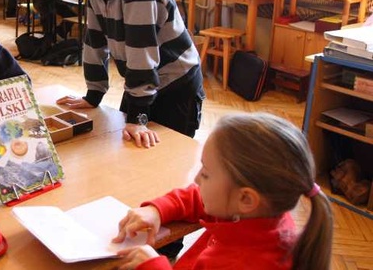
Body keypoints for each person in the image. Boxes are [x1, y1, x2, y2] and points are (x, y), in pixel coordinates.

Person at [43, 0, 204, 148]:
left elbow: (142, 53)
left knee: (164, 154)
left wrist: (139, 117)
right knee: (128, 143)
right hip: (143, 80)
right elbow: (93, 42)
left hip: (177, 85)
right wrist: (93, 95)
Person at [112, 112, 334, 270]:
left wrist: (154, 266)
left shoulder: (247, 263)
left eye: (206, 174)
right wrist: (158, 210)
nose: (197, 179)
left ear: (246, 198)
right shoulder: (260, 213)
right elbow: (202, 198)